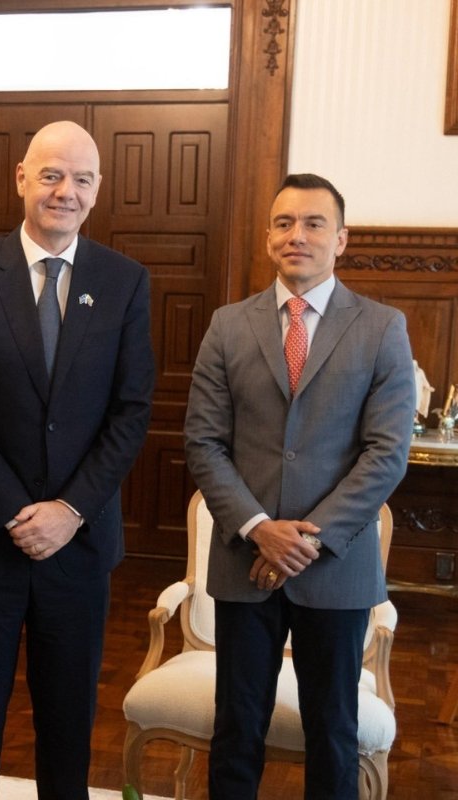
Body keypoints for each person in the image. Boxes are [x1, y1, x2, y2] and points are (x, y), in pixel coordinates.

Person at [0, 120, 155, 799]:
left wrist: (70, 511)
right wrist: (18, 515)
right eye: (51, 174)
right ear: (20, 178)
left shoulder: (125, 281)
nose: (66, 190)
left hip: (78, 549)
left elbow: (131, 410)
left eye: (82, 178)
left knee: (68, 722)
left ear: (98, 189)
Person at [184, 173, 416, 798]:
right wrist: (261, 529)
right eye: (284, 223)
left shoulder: (382, 327)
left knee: (332, 732)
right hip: (244, 560)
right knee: (236, 730)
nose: (298, 235)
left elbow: (387, 452)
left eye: (314, 223)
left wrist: (307, 540)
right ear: (267, 238)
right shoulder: (227, 326)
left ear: (341, 239)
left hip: (334, 567)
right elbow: (203, 442)